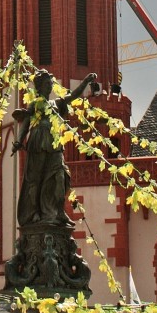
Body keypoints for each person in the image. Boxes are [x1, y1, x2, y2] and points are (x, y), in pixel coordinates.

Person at [12, 70, 97, 226]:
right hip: (38, 141)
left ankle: (58, 212)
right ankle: (34, 213)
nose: (50, 86)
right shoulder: (35, 104)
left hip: (54, 143)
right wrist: (18, 141)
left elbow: (73, 95)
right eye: (47, 83)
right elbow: (25, 124)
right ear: (40, 86)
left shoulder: (56, 103)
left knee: (60, 176)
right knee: (35, 179)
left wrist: (85, 82)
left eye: (51, 83)